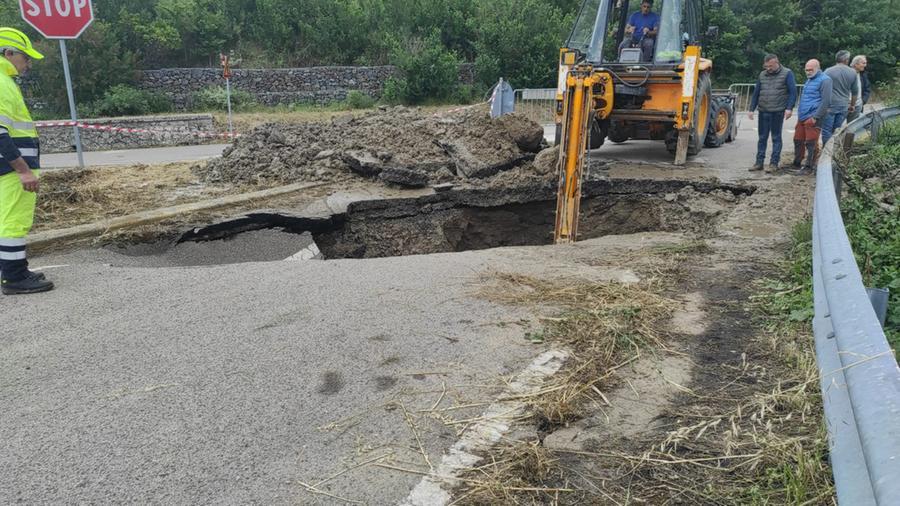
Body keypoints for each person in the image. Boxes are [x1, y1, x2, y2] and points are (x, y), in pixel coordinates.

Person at [0, 27, 53, 295]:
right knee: (14, 221)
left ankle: (11, 270)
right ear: (8, 53)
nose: (28, 63)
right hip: (11, 168)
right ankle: (15, 277)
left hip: (6, 166)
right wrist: (22, 170)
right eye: (25, 57)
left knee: (5, 219)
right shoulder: (2, 83)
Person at [748, 54, 797, 172]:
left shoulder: (787, 73)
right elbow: (756, 93)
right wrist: (751, 109)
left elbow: (793, 92)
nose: (768, 68)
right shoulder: (762, 75)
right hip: (763, 111)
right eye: (766, 66)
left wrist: (789, 108)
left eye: (770, 66)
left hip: (777, 111)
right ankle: (759, 163)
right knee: (762, 138)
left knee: (776, 137)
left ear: (777, 63)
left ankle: (774, 163)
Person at [790, 59, 832, 176]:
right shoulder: (809, 80)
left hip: (813, 116)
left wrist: (816, 117)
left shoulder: (825, 80)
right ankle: (797, 163)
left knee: (811, 142)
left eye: (810, 70)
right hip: (803, 116)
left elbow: (826, 101)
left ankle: (809, 166)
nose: (808, 72)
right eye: (806, 70)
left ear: (817, 68)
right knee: (798, 139)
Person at [821, 50, 859, 146]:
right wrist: (852, 105)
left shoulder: (828, 71)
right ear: (846, 60)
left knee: (826, 130)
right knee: (837, 130)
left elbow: (822, 87)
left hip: (830, 105)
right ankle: (834, 149)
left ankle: (826, 150)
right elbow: (855, 92)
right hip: (843, 105)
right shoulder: (852, 72)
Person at [846, 55, 871, 123]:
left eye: (865, 63)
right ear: (856, 64)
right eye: (863, 63)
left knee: (853, 127)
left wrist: (863, 101)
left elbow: (867, 89)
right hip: (844, 104)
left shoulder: (863, 75)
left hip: (858, 105)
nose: (865, 65)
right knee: (837, 126)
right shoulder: (845, 73)